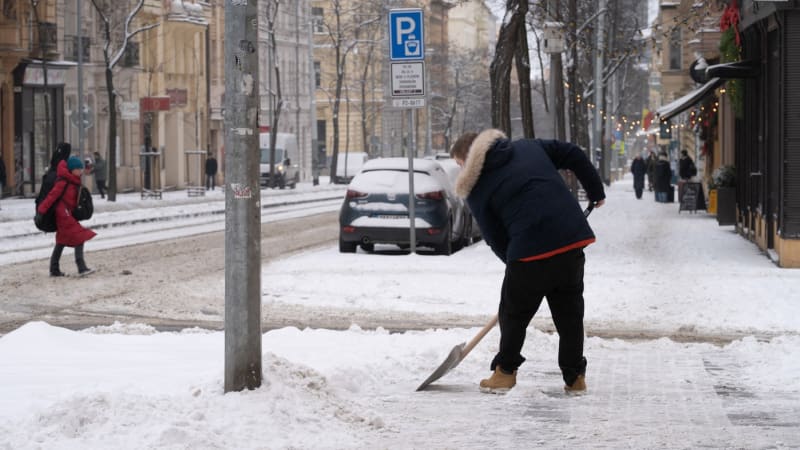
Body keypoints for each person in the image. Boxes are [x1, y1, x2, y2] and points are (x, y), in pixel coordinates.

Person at [450, 129, 605, 394]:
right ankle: (575, 377)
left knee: (512, 314)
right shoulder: (529, 147)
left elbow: (494, 236)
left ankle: (505, 373)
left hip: (529, 251)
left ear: (468, 158)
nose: (461, 170)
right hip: (570, 240)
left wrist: (514, 264)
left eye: (459, 164)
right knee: (569, 315)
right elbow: (573, 153)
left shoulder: (476, 186)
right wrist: (595, 191)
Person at [36, 156, 96, 277]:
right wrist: (41, 211)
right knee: (79, 235)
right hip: (63, 214)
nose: (80, 171)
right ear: (72, 169)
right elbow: (51, 197)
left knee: (61, 241)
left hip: (67, 214)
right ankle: (81, 267)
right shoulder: (63, 182)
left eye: (81, 169)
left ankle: (54, 269)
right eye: (78, 169)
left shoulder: (73, 181)